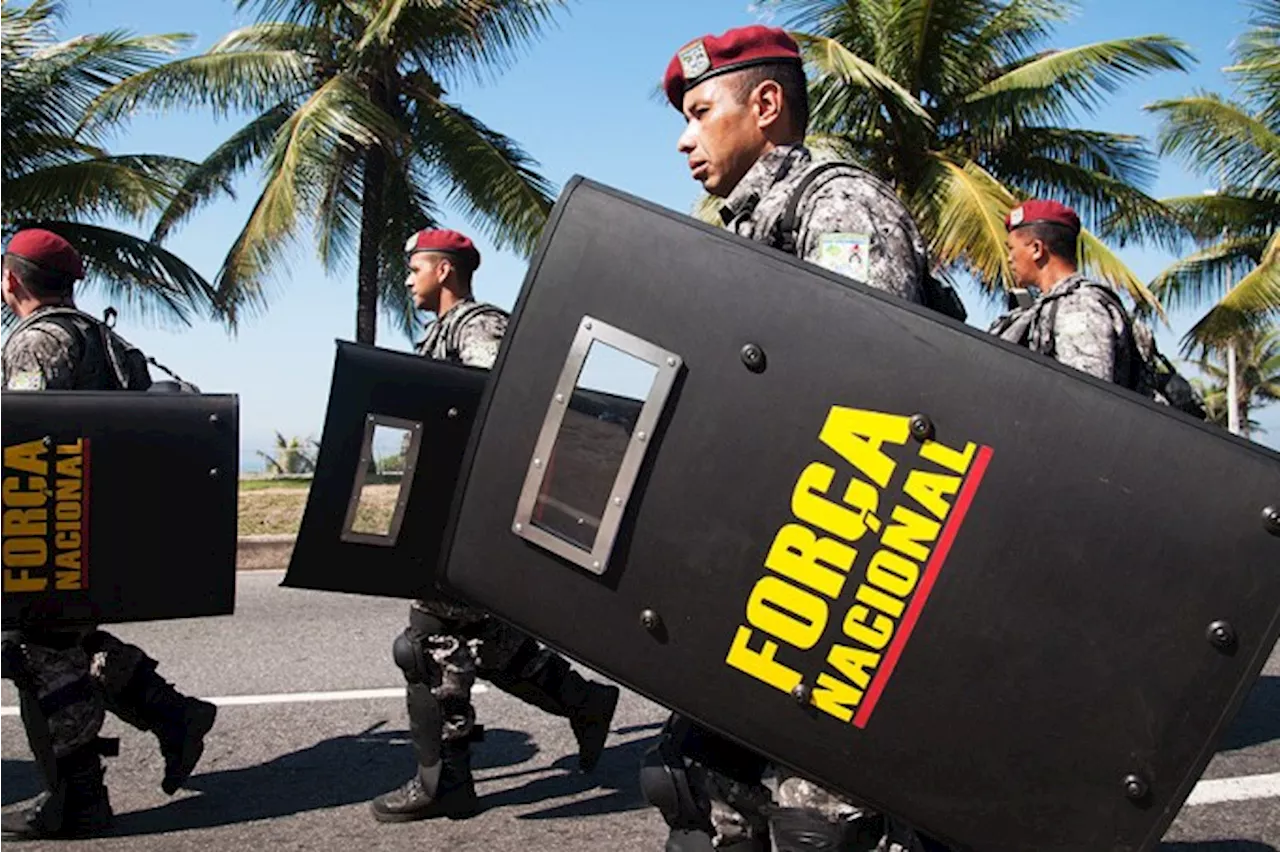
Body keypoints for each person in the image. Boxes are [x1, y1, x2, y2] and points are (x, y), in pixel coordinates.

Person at [644, 23, 944, 852]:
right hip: (774, 556)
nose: (683, 136)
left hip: (848, 568)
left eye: (701, 111)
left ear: (766, 105)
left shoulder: (837, 205)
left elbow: (867, 398)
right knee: (690, 777)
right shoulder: (748, 225)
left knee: (817, 823)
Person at [369, 228, 621, 823]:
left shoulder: (478, 326)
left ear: (445, 272)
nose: (408, 280)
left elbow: (499, 410)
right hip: (453, 514)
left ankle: (446, 782)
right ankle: (585, 701)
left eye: (415, 269)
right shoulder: (443, 333)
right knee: (486, 645)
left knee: (427, 643)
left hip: (472, 518)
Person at [0, 228, 217, 839]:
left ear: (12, 280)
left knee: (33, 646)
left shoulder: (37, 344)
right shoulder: (102, 336)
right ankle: (172, 714)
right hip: (96, 526)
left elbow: (22, 440)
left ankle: (82, 798)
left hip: (47, 527)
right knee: (58, 642)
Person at [990, 199, 1135, 383]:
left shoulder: (1079, 308)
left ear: (1036, 249)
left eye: (1011, 249)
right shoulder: (1053, 306)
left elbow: (1086, 397)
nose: (1009, 258)